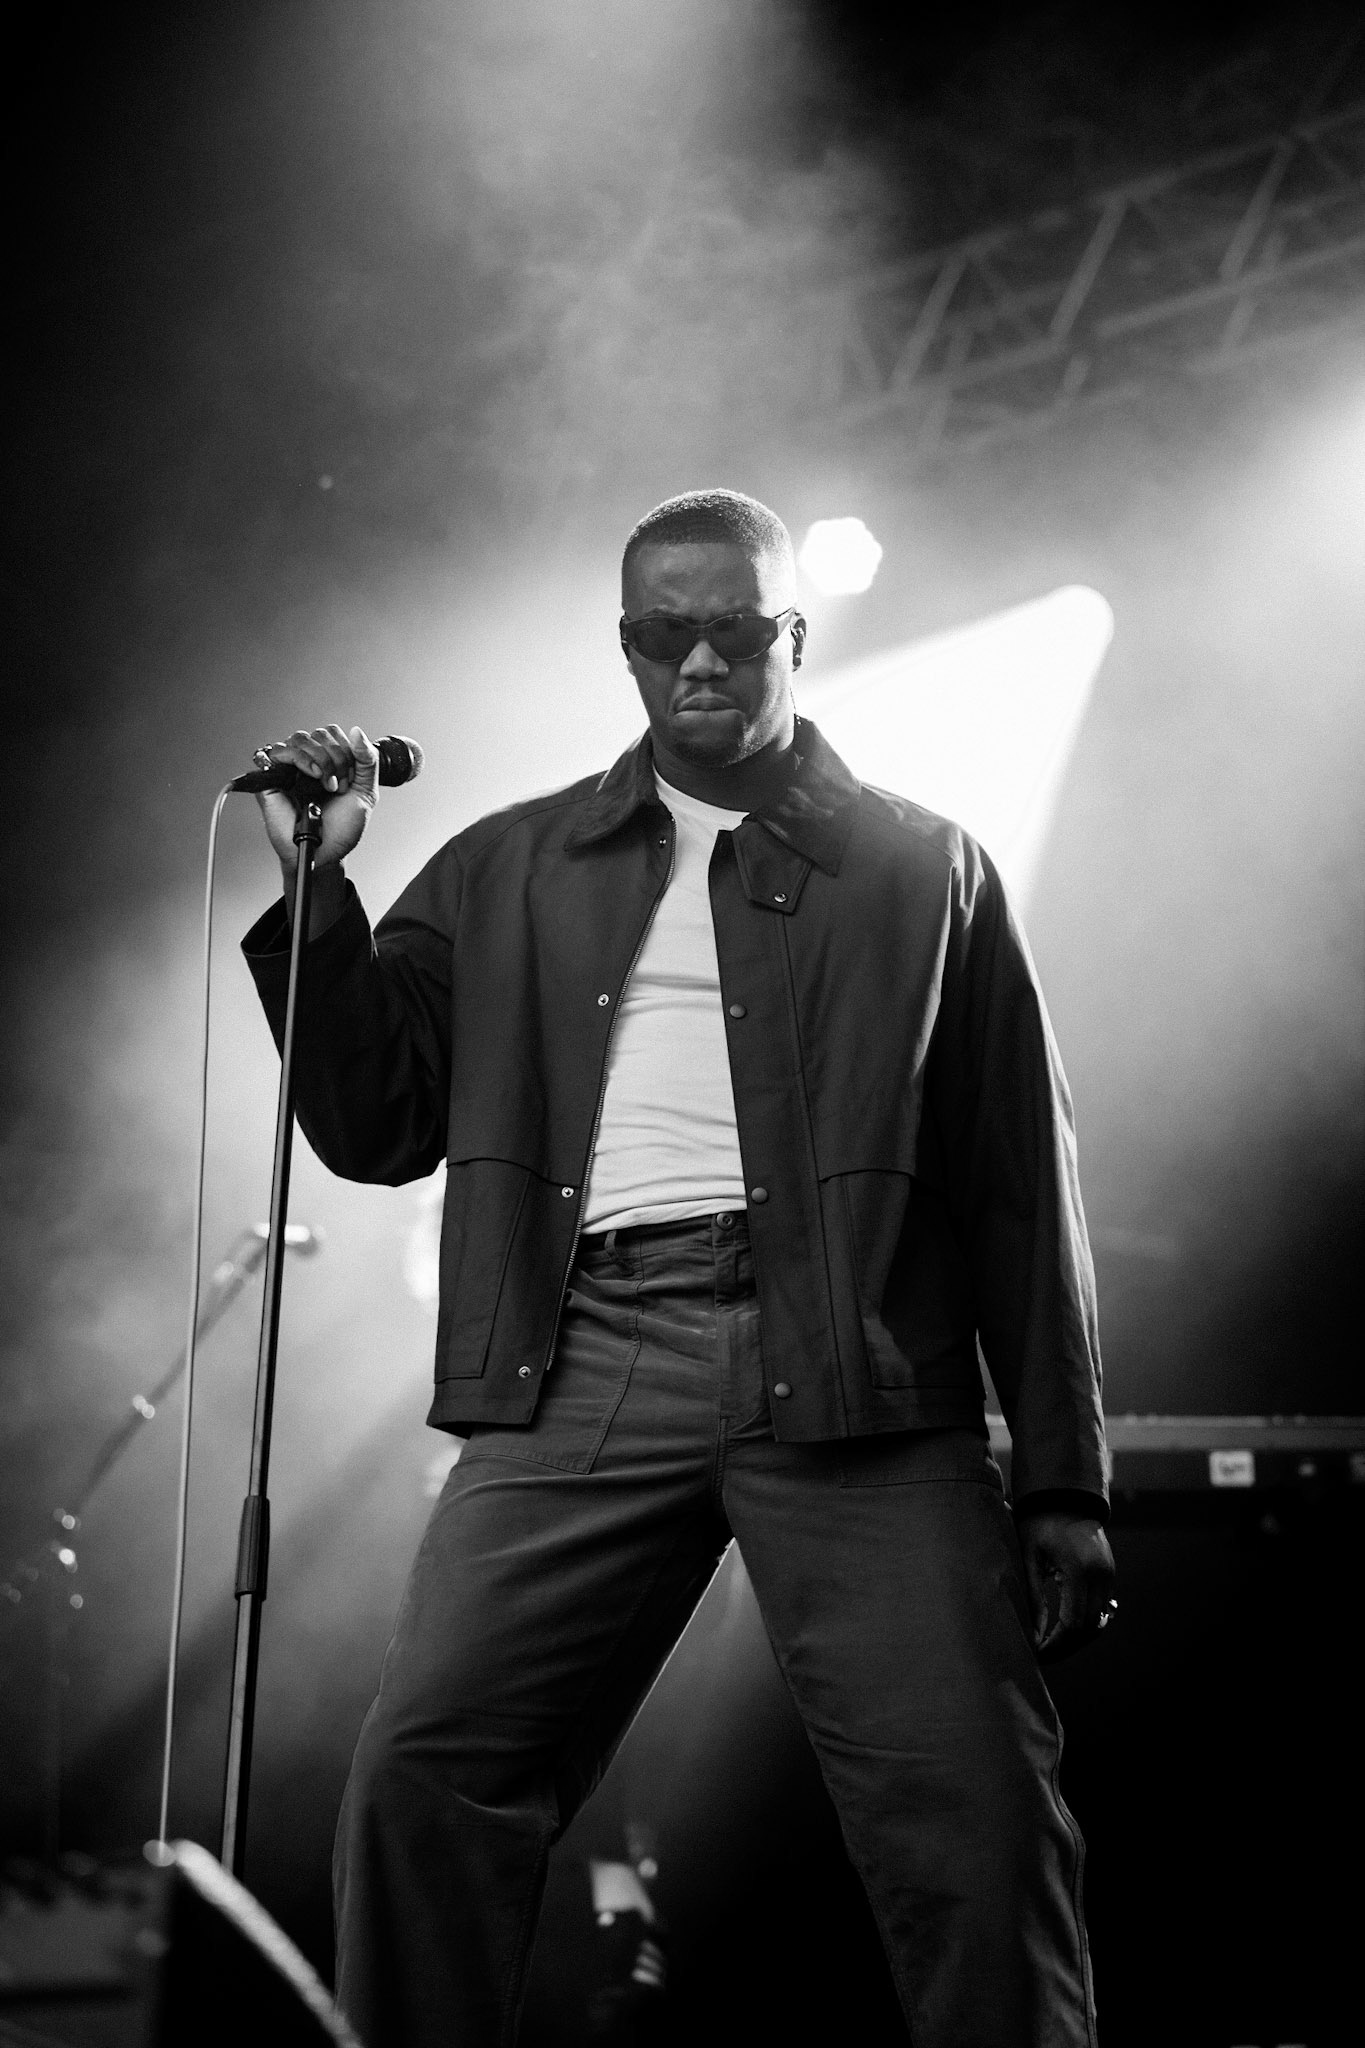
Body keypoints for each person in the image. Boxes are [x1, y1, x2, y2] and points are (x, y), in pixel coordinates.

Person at [243, 488, 1116, 2048]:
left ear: (790, 633)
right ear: (627, 646)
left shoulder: (928, 868)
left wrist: (1063, 1475)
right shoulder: (509, 865)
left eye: (731, 628)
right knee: (423, 1778)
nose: (696, 660)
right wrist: (319, 893)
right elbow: (376, 1126)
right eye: (663, 633)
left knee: (975, 1818)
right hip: (583, 1356)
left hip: (854, 1364)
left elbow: (1012, 1189)